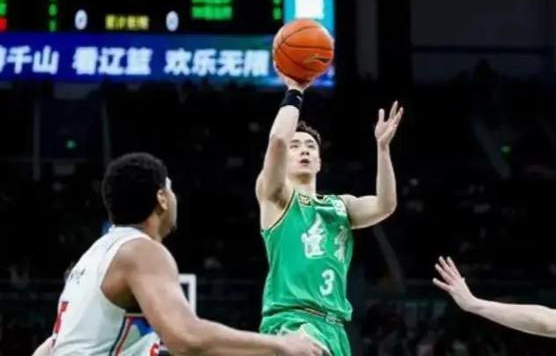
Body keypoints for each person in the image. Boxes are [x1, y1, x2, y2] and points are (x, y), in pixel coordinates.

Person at [33, 152, 322, 356]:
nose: (174, 198)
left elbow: (50, 347)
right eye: (170, 190)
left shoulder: (93, 257)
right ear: (161, 198)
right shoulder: (142, 252)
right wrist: (280, 344)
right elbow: (186, 338)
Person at [256, 72, 404, 355]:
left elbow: (385, 205)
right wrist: (295, 91)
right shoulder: (276, 199)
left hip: (334, 329)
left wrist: (383, 149)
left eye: (310, 146)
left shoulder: (341, 206)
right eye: (296, 146)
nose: (304, 150)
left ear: (319, 162)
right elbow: (277, 141)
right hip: (292, 322)